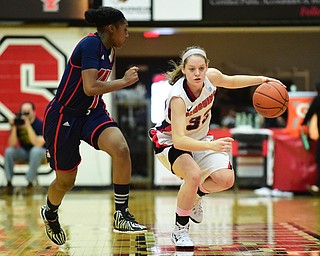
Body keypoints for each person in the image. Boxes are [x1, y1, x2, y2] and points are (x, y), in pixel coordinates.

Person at [148, 46, 284, 249]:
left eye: (201, 68)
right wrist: (210, 145)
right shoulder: (178, 97)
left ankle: (196, 196)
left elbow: (232, 81)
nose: (197, 73)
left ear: (207, 67)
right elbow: (179, 140)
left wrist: (262, 79)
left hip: (201, 139)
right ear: (184, 70)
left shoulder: (211, 78)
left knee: (225, 179)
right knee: (193, 175)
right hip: (170, 142)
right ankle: (180, 230)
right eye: (192, 69)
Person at [40, 6, 147, 246]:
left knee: (121, 148)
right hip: (64, 115)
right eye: (125, 29)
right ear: (111, 28)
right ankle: (50, 211)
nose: (128, 34)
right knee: (66, 181)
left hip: (92, 112)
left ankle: (121, 214)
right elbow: (90, 87)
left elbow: (92, 93)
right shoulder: (89, 45)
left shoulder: (110, 50)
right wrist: (123, 82)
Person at [4, 101, 46, 191]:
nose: (26, 114)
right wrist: (14, 127)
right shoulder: (19, 124)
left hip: (41, 153)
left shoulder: (40, 124)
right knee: (9, 151)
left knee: (35, 150)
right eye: (23, 111)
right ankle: (9, 182)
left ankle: (29, 182)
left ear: (34, 112)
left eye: (28, 111)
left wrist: (28, 126)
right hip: (25, 152)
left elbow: (38, 144)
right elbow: (12, 144)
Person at [301, 80, 320, 196]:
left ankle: (318, 186)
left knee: (319, 160)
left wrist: (302, 124)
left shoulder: (318, 99)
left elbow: (309, 113)